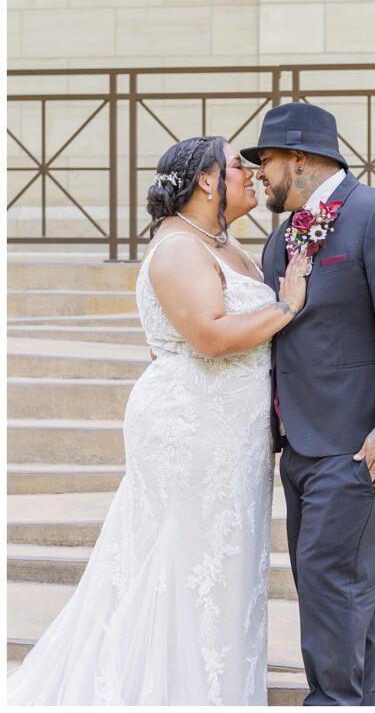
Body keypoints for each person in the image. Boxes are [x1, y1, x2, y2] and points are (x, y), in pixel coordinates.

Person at [7, 136, 311, 704]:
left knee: (223, 565)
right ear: (205, 180)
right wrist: (287, 307)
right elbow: (210, 337)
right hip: (193, 429)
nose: (251, 175)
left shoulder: (225, 246)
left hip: (231, 434)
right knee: (184, 560)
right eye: (238, 166)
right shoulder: (178, 249)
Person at [242, 102, 375, 705]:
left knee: (333, 582)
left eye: (269, 161)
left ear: (301, 160)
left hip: (364, 441)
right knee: (344, 586)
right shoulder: (284, 236)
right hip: (302, 443)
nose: (261, 174)